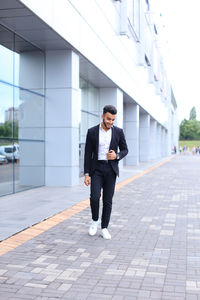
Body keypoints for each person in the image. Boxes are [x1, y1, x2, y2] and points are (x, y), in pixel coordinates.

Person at [84, 105, 128, 239]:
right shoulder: (92, 132)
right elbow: (87, 154)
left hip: (111, 170)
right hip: (96, 169)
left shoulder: (118, 132)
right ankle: (94, 221)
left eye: (113, 120)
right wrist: (86, 174)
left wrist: (117, 156)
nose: (110, 122)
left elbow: (125, 150)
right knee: (95, 197)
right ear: (102, 116)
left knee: (108, 200)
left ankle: (104, 227)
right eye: (109, 119)